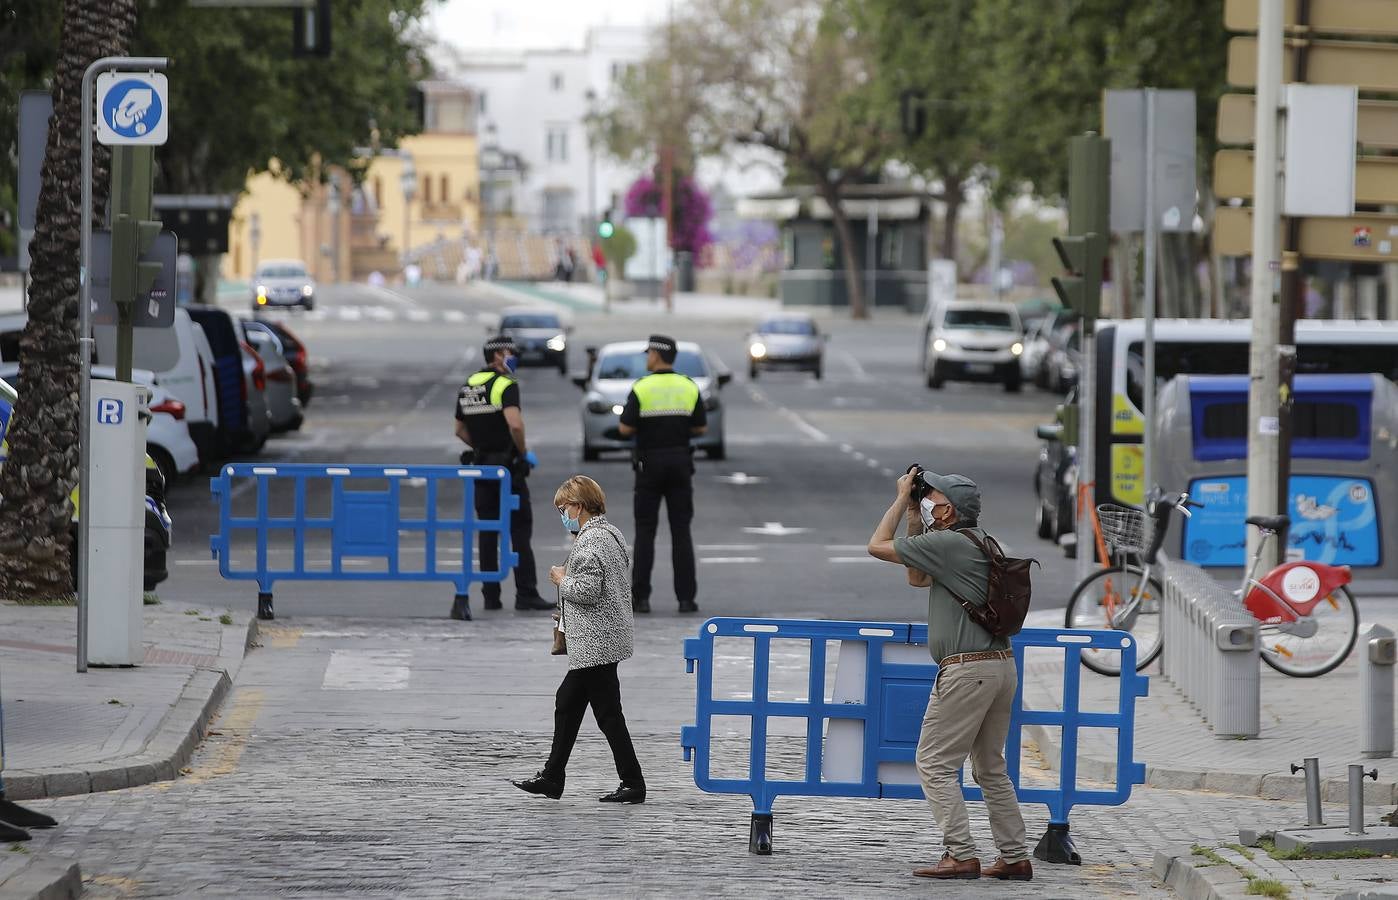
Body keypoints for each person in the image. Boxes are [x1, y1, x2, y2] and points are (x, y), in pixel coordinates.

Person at [866, 467, 1032, 882]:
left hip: (966, 671)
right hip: (1000, 667)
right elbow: (917, 578)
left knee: (934, 762)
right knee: (991, 767)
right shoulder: (982, 540)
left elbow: (877, 546)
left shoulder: (949, 544)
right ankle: (1014, 857)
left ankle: (960, 854)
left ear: (949, 511)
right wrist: (915, 517)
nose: (926, 503)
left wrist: (903, 497)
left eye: (932, 500)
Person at [512, 475, 646, 803]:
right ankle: (554, 776)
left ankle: (631, 783)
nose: (562, 514)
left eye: (564, 507)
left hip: (595, 642)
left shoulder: (590, 540)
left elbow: (587, 591)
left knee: (605, 714)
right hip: (607, 637)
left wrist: (561, 579)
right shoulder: (610, 533)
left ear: (579, 506)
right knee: (571, 704)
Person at [453, 335, 553, 619]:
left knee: (487, 531)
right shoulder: (506, 385)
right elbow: (515, 424)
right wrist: (521, 453)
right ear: (497, 356)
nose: (514, 357)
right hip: (507, 469)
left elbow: (459, 429)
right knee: (519, 530)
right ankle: (526, 593)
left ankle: (491, 596)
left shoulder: (468, 385)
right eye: (511, 352)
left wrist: (481, 448)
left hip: (482, 467)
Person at [617, 335, 704, 614]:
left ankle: (641, 597)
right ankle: (686, 599)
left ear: (657, 354)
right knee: (681, 532)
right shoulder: (688, 386)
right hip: (680, 462)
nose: (647, 358)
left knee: (645, 532)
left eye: (649, 353)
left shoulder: (642, 387)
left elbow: (625, 429)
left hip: (649, 465)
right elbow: (700, 427)